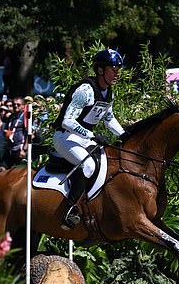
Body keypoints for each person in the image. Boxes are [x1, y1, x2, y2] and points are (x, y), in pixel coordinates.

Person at [52, 48, 126, 230]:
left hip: (83, 138)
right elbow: (67, 121)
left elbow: (109, 119)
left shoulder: (109, 92)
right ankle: (70, 210)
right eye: (113, 69)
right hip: (65, 136)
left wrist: (125, 135)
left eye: (118, 69)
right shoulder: (85, 90)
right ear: (100, 70)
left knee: (110, 161)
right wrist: (92, 135)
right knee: (89, 165)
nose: (117, 73)